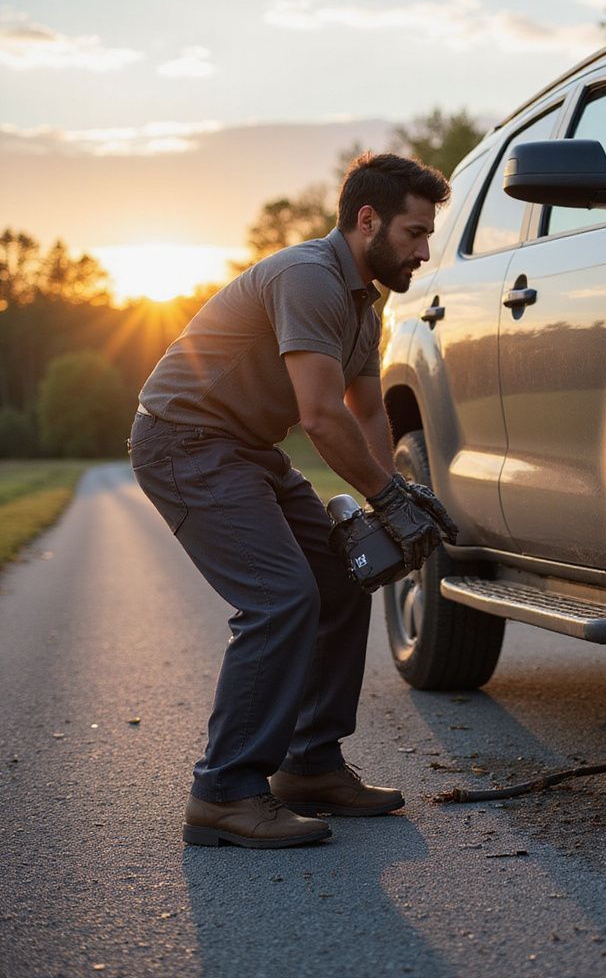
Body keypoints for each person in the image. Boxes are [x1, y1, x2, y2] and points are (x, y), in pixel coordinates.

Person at [128, 152, 455, 848]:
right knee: (281, 598)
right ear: (365, 220)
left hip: (245, 448)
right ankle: (224, 791)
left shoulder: (365, 301)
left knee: (343, 576)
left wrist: (391, 498)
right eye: (413, 232)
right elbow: (320, 415)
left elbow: (365, 410)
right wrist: (388, 500)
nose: (425, 250)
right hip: (184, 443)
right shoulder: (309, 277)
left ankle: (308, 764)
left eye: (428, 234)